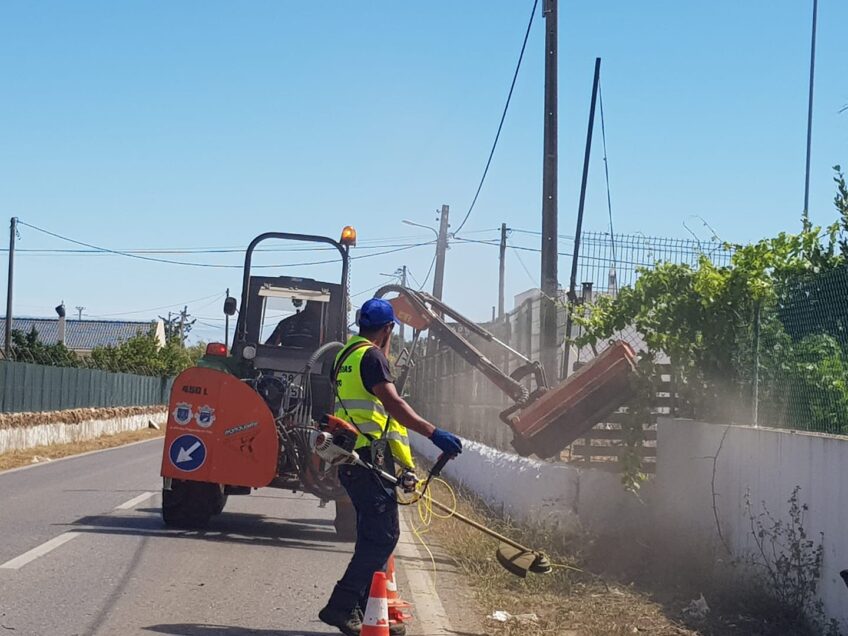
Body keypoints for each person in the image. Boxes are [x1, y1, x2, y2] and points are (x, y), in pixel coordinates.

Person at [319, 298, 463, 636]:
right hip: (366, 457)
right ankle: (341, 607)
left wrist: (406, 464)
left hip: (353, 456)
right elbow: (394, 406)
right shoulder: (372, 357)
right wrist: (433, 433)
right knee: (383, 536)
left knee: (374, 536)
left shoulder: (343, 357)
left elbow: (383, 420)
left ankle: (368, 610)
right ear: (387, 330)